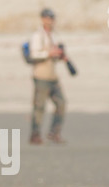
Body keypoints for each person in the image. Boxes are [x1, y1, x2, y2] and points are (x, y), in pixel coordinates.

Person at [29, 8, 67, 145]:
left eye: (52, 18)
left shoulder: (54, 35)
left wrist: (60, 55)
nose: (50, 21)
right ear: (43, 19)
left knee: (61, 103)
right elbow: (34, 55)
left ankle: (54, 133)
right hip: (41, 76)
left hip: (53, 76)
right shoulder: (37, 35)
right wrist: (48, 53)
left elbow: (56, 53)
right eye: (48, 18)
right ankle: (35, 135)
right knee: (40, 107)